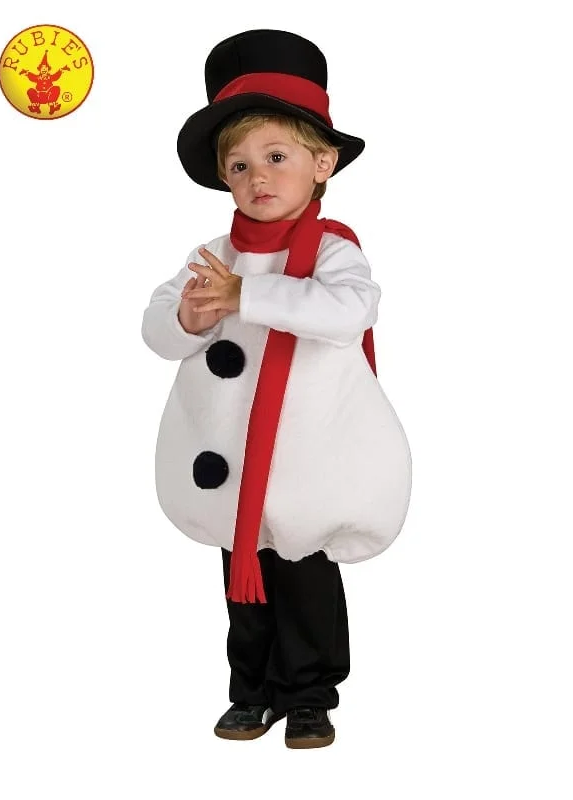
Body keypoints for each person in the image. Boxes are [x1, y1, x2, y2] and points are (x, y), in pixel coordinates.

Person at [141, 29, 412, 749]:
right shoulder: (212, 255)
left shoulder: (331, 251)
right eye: (239, 165)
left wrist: (248, 298)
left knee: (304, 586)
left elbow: (350, 311)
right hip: (232, 467)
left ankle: (311, 695)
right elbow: (156, 330)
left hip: (301, 469)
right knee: (243, 586)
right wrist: (189, 317)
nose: (257, 177)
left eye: (277, 157)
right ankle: (251, 690)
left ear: (323, 163)